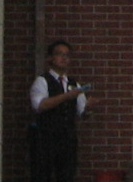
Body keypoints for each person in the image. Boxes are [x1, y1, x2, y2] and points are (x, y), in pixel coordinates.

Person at [28, 39, 93, 182]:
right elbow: (40, 105)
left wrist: (88, 108)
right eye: (59, 54)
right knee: (43, 175)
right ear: (50, 58)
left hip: (67, 139)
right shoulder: (42, 81)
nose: (64, 58)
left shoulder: (74, 84)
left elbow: (81, 112)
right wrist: (66, 96)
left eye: (67, 55)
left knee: (66, 175)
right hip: (46, 138)